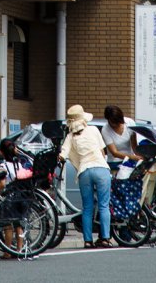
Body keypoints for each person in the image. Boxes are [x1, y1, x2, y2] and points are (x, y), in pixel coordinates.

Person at [59, 104, 112, 248]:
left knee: (87, 208)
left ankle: (88, 241)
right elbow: (102, 152)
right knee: (104, 206)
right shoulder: (93, 130)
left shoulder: (70, 136)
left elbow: (63, 153)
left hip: (84, 171)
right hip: (101, 168)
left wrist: (60, 158)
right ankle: (105, 238)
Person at [0, 138, 31, 259]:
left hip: (9, 198)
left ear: (1, 152)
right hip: (21, 196)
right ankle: (19, 249)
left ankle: (7, 251)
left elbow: (2, 183)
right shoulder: (19, 164)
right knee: (18, 225)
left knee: (7, 226)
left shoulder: (3, 165)